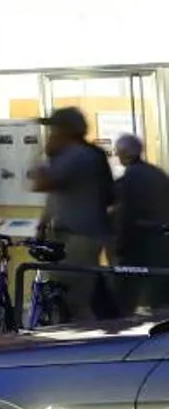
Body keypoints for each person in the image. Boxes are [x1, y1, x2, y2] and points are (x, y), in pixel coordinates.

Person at [29, 107, 116, 320]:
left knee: (75, 300)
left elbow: (42, 183)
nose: (51, 133)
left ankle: (87, 337)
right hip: (72, 235)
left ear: (67, 130)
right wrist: (43, 224)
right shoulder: (79, 155)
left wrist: (40, 155)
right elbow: (55, 195)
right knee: (71, 294)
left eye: (54, 129)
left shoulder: (77, 155)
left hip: (79, 236)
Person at [115, 134, 169, 313]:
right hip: (162, 239)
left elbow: (127, 212)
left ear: (126, 153)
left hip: (139, 239)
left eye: (119, 152)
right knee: (160, 292)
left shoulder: (132, 175)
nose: (117, 156)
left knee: (126, 292)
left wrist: (120, 243)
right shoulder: (157, 173)